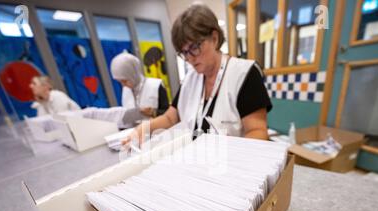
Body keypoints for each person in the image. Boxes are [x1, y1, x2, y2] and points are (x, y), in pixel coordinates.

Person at [126, 4, 272, 145]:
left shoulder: (244, 74)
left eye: (194, 47)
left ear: (214, 39)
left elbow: (257, 131)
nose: (189, 58)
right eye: (184, 52)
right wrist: (143, 129)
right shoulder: (191, 78)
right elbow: (171, 117)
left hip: (231, 163)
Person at [110, 52, 169, 119]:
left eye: (125, 81)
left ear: (133, 74)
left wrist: (153, 112)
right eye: (120, 82)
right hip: (136, 128)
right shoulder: (126, 90)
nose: (123, 85)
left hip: (157, 127)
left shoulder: (156, 85)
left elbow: (169, 113)